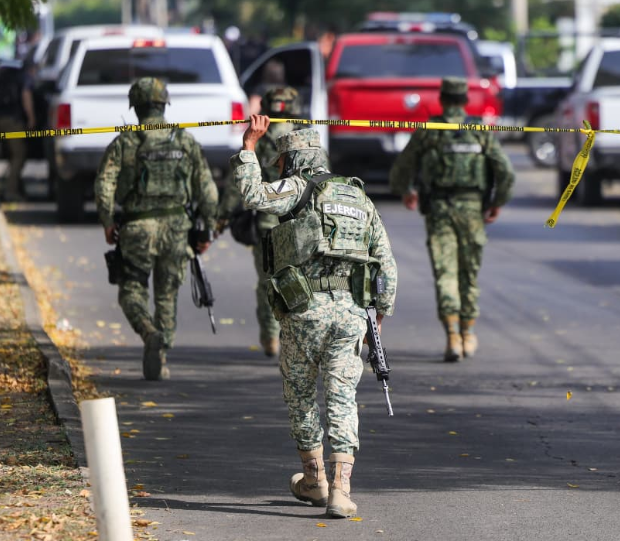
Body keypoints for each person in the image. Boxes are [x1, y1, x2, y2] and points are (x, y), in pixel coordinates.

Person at [231, 117, 398, 519]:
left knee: (301, 395)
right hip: (352, 311)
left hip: (305, 309)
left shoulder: (298, 187)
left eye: (282, 162)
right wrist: (380, 313)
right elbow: (386, 265)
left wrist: (249, 148)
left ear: (292, 161)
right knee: (342, 397)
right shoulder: (359, 196)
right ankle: (341, 490)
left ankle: (314, 479)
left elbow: (253, 194)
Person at [94, 77, 219, 381]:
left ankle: (148, 332)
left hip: (137, 227)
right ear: (164, 105)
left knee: (131, 290)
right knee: (167, 293)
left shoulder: (126, 141)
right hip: (177, 229)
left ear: (135, 107)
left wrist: (108, 221)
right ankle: (161, 354)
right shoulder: (184, 141)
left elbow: (104, 184)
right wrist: (207, 231)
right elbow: (209, 192)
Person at [389, 77, 516, 362]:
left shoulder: (430, 130)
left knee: (445, 272)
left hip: (439, 209)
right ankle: (469, 332)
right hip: (472, 210)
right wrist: (497, 202)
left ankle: (452, 337)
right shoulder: (479, 131)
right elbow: (506, 171)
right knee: (469, 273)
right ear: (465, 101)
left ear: (442, 99)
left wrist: (405, 191)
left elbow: (402, 167)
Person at [216, 87, 303, 357]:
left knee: (268, 282)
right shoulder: (304, 139)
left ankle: (270, 335)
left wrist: (222, 216)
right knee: (298, 280)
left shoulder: (259, 138)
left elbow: (238, 183)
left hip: (266, 224)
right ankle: (293, 336)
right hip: (298, 226)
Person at [0, 58, 36, 201]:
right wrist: (31, 117)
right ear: (31, 69)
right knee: (19, 156)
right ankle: (11, 191)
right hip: (14, 122)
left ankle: (14, 187)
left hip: (1, 120)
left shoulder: (8, 77)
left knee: (13, 155)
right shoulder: (25, 78)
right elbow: (26, 95)